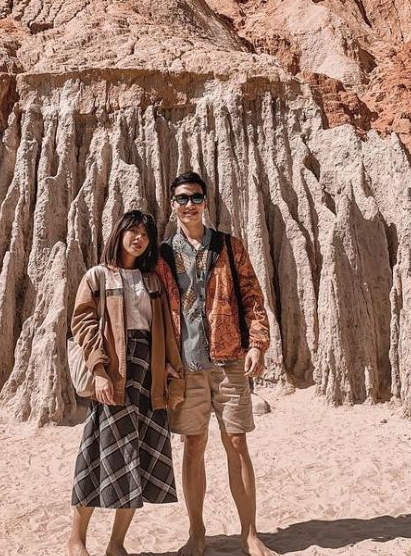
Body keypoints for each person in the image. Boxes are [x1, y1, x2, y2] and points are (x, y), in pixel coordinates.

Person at [155, 172, 276, 556]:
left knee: (237, 442)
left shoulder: (228, 246)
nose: (188, 205)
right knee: (193, 445)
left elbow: (253, 296)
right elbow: (153, 311)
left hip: (228, 361)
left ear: (206, 202)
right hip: (186, 366)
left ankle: (250, 534)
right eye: (181, 199)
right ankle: (197, 534)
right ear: (172, 205)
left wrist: (257, 343)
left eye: (195, 197)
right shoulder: (162, 255)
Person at [67, 209, 186, 556]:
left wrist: (167, 366)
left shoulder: (152, 281)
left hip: (148, 377)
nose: (138, 238)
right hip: (116, 374)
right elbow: (84, 326)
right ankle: (76, 540)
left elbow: (161, 327)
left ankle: (116, 544)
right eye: (132, 231)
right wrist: (100, 370)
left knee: (139, 460)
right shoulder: (98, 276)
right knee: (96, 456)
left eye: (145, 234)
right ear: (118, 234)